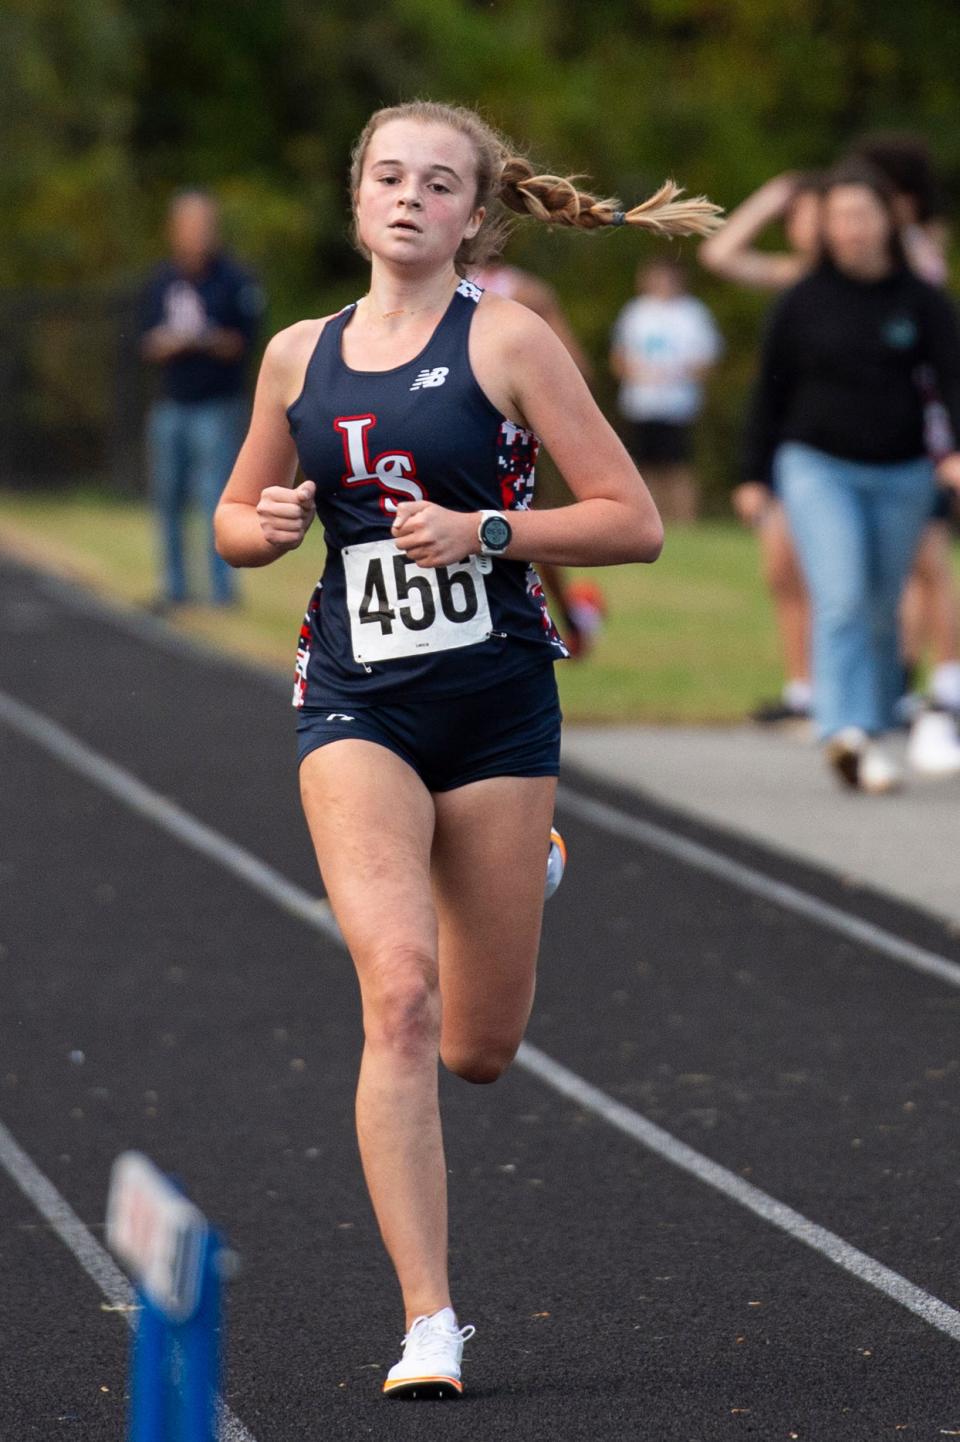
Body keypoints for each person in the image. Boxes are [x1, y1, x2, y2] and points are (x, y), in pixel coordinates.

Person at [214, 100, 720, 1397]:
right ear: (357, 193)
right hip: (354, 696)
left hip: (496, 700)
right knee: (398, 993)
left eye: (438, 184)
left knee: (478, 1046)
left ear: (474, 214)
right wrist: (263, 525)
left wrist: (488, 531)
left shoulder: (509, 340)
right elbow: (235, 515)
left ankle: (523, 858)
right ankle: (428, 1320)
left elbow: (634, 520)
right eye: (387, 175)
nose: (407, 199)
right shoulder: (294, 357)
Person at [740, 162, 960, 792]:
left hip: (903, 471)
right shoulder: (802, 300)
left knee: (882, 606)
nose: (850, 230)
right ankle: (845, 732)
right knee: (837, 595)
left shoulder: (923, 302)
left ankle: (883, 715)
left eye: (861, 216)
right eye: (838, 218)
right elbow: (769, 391)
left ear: (888, 222)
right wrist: (755, 473)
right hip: (815, 464)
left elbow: (951, 383)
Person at [701, 173, 823, 723]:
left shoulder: (881, 279)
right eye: (795, 216)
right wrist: (772, 197)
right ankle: (803, 688)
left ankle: (864, 687)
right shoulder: (794, 278)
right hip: (791, 439)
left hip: (852, 446)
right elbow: (718, 253)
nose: (802, 224)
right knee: (783, 569)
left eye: (807, 212)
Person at [471, 258, 607, 656]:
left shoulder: (526, 293)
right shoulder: (425, 286)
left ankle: (570, 623)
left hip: (507, 434)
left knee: (529, 531)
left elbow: (575, 367)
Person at [140, 188, 263, 610]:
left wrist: (204, 339)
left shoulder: (235, 279)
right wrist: (170, 342)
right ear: (174, 231)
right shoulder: (162, 280)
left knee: (218, 500)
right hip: (171, 405)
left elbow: (244, 341)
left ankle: (222, 593)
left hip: (217, 406)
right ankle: (174, 587)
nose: (197, 234)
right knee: (168, 499)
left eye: (204, 225)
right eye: (189, 226)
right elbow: (145, 342)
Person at [610, 257, 722, 524]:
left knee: (677, 465)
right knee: (643, 465)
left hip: (677, 404)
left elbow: (707, 360)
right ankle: (648, 518)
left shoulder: (693, 314)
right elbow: (619, 357)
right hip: (641, 402)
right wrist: (638, 374)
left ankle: (684, 521)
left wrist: (677, 375)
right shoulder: (636, 312)